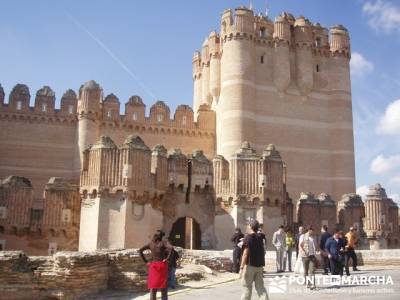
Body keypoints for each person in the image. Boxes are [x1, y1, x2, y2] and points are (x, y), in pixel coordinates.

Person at [239, 219, 269, 300]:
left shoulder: (248, 238)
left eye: (248, 225)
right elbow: (263, 234)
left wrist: (241, 268)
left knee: (247, 287)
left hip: (250, 266)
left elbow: (245, 254)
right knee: (260, 287)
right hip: (259, 266)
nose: (247, 226)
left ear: (251, 227)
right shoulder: (261, 237)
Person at [139, 230, 172, 300]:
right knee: (163, 288)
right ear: (161, 237)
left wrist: (146, 262)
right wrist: (167, 259)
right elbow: (171, 249)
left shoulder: (151, 244)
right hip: (162, 266)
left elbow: (140, 250)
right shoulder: (163, 243)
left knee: (153, 288)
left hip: (153, 266)